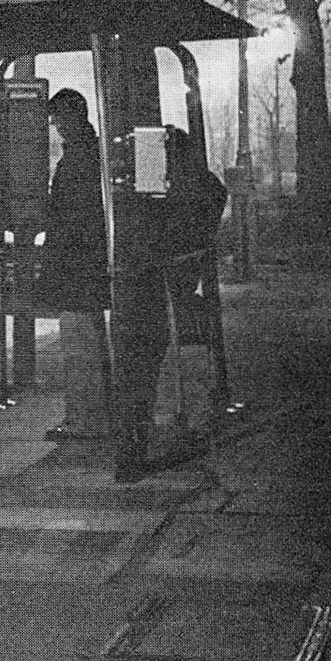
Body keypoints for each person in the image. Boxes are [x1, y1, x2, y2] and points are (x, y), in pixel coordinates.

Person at [110, 126, 229, 479]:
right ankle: (149, 436)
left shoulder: (170, 190)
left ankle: (137, 445)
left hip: (152, 283)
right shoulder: (196, 186)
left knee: (141, 364)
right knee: (151, 362)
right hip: (170, 282)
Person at [43, 87, 110, 444]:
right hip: (88, 265)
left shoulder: (76, 160)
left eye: (57, 120)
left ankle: (83, 419)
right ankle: (89, 414)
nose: (55, 127)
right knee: (89, 343)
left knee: (78, 348)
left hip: (75, 267)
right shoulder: (93, 153)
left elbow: (66, 218)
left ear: (72, 117)